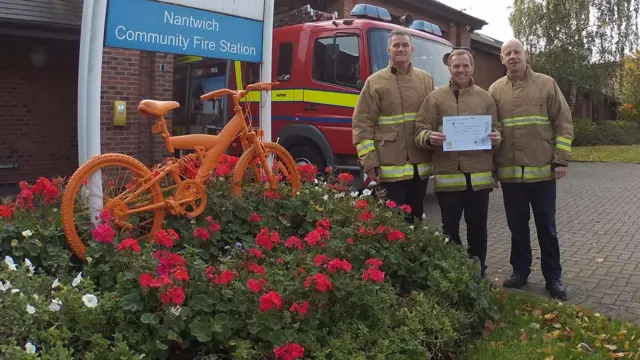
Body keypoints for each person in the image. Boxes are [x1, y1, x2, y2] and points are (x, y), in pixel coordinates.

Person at [488, 39, 573, 300]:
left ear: (526, 55)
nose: (513, 57)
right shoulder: (494, 90)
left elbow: (563, 121)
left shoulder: (546, 84)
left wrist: (560, 159)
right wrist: (492, 168)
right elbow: (491, 130)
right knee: (517, 227)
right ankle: (520, 271)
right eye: (507, 53)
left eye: (517, 52)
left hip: (543, 172)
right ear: (502, 59)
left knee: (546, 227)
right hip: (510, 174)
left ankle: (553, 277)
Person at [414, 48, 502, 277]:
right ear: (449, 69)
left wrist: (496, 137)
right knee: (449, 230)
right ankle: (454, 273)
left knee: (477, 230)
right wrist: (428, 138)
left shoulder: (485, 98)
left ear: (472, 68)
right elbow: (419, 130)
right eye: (456, 66)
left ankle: (478, 273)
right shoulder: (434, 98)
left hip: (478, 180)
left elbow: (498, 129)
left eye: (465, 66)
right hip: (448, 178)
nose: (461, 70)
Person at [352, 29, 435, 222]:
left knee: (416, 218)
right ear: (388, 50)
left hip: (420, 166)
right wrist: (369, 160)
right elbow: (362, 123)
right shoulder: (375, 82)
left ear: (412, 49)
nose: (401, 49)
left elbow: (434, 117)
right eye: (396, 45)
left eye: (405, 45)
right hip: (389, 167)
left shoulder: (426, 79)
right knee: (393, 221)